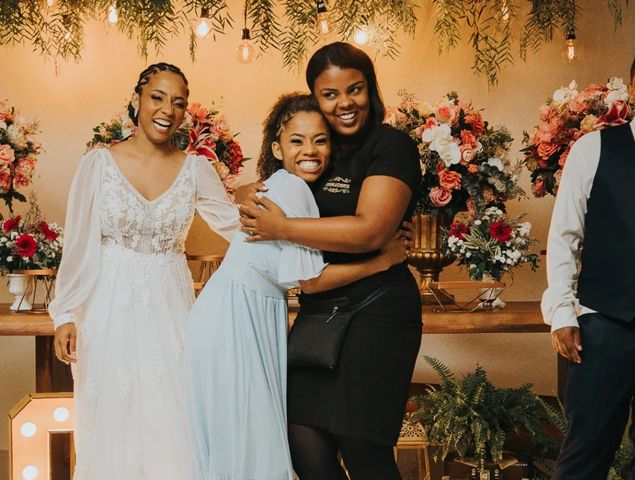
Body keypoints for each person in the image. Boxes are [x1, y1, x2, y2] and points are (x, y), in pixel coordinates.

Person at [187, 93, 408, 480]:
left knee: (240, 439)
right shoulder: (293, 189)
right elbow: (311, 281)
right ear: (277, 147)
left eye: (320, 140)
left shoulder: (285, 185)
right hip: (235, 319)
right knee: (248, 438)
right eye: (297, 141)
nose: (310, 150)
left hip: (234, 310)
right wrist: (383, 259)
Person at [238, 42, 422, 480]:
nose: (345, 103)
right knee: (304, 442)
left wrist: (281, 228)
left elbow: (371, 230)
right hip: (319, 311)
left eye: (354, 89)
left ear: (371, 88)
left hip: (378, 312)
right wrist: (246, 194)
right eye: (330, 94)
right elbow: (267, 191)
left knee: (362, 448)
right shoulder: (318, 146)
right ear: (315, 98)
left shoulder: (390, 145)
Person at [49, 62, 239, 480]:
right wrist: (64, 313)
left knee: (174, 415)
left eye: (179, 103)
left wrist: (297, 224)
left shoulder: (196, 170)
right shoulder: (98, 164)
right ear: (137, 99)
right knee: (111, 418)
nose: (167, 109)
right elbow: (78, 244)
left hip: (171, 309)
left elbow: (240, 230)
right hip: (105, 308)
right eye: (157, 97)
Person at [541, 48, 635, 479]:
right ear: (634, 87)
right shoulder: (594, 147)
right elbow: (564, 236)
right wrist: (562, 312)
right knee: (585, 456)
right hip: (604, 323)